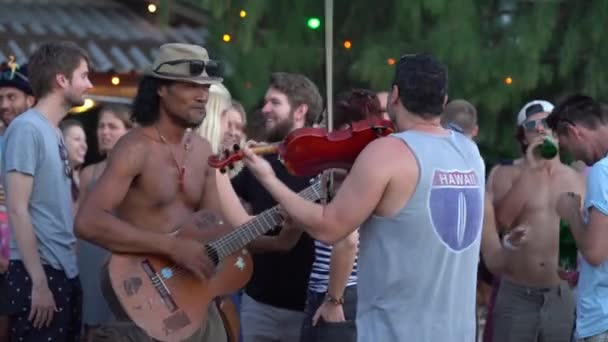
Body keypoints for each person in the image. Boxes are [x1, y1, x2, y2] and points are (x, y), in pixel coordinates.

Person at [242, 53, 485, 341]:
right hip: (458, 332)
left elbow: (329, 228)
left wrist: (268, 179)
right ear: (443, 102)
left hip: (395, 331)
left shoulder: (388, 152)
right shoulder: (470, 153)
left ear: (395, 95)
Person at [74, 43, 253, 342]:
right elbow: (87, 222)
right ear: (161, 89)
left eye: (206, 88)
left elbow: (214, 229)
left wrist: (273, 237)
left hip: (193, 291)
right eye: (189, 85)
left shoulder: (202, 150)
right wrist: (170, 247)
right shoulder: (135, 148)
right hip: (142, 290)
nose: (202, 95)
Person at [0, 41, 93, 342]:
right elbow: (17, 208)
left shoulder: (52, 131)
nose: (89, 84)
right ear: (61, 80)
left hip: (63, 270)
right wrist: (39, 283)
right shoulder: (27, 129)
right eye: (84, 75)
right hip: (37, 273)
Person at [231, 72, 322, 342]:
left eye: (275, 102)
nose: (265, 109)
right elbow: (227, 206)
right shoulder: (263, 160)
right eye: (266, 102)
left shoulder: (324, 166)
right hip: (258, 301)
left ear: (300, 111)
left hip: (307, 307)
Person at [300, 89, 383, 342]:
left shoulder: (352, 173)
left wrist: (333, 299)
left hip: (338, 291)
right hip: (347, 290)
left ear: (346, 128)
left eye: (326, 123)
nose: (319, 129)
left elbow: (347, 240)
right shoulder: (373, 167)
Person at [547, 94, 608, 341]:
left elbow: (595, 252)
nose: (574, 158)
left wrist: (571, 211)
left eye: (565, 147)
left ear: (574, 131)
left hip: (601, 318)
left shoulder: (602, 171)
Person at [76, 104, 133, 340]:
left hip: (120, 254)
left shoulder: (135, 172)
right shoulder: (89, 172)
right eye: (101, 126)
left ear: (128, 131)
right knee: (91, 322)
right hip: (89, 254)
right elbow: (79, 219)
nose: (105, 132)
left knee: (119, 322)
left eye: (112, 126)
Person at [0, 59, 35, 342]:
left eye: (12, 97)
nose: (4, 105)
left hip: (30, 252)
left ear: (30, 99)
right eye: (0, 98)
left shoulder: (39, 137)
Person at [59, 119, 88, 203]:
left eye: (84, 140)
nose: (84, 146)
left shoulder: (80, 179)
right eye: (77, 139)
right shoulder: (52, 176)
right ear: (61, 142)